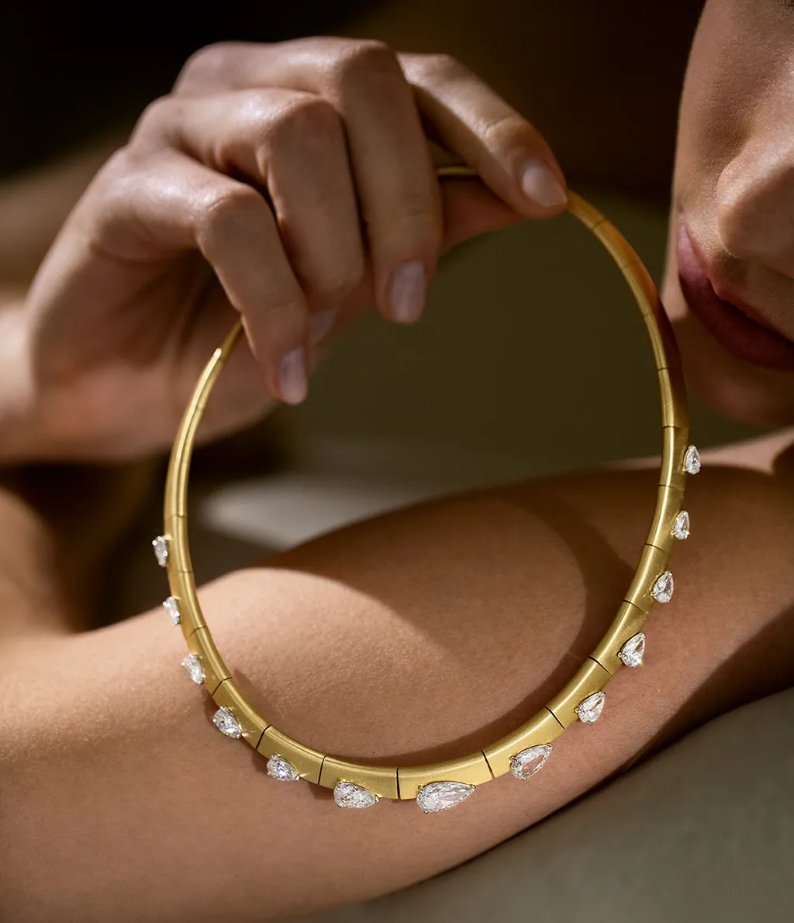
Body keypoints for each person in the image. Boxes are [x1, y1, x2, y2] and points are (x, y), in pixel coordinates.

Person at [1, 1, 792, 919]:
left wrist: (70, 457)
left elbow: (30, 794)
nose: (750, 207)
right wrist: (50, 384)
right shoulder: (589, 46)